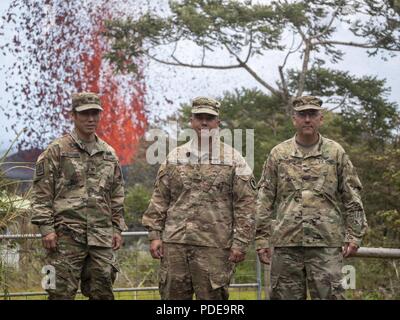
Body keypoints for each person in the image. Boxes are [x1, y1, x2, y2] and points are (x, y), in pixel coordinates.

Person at [142, 97, 256, 300]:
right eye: (199, 117)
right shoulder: (174, 158)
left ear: (217, 123)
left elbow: (246, 204)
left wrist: (240, 242)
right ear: (191, 121)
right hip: (175, 245)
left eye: (209, 118)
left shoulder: (233, 159)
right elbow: (160, 198)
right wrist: (155, 235)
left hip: (214, 247)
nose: (204, 123)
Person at [255, 95, 368, 300]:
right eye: (302, 114)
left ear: (320, 119)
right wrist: (261, 239)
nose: (307, 119)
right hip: (286, 243)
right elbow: (264, 199)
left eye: (312, 114)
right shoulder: (278, 154)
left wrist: (355, 235)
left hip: (326, 244)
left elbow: (352, 197)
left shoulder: (335, 153)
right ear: (294, 119)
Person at [31, 92, 127, 300]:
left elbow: (117, 194)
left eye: (95, 113)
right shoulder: (57, 150)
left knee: (103, 293)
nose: (91, 119)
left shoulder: (108, 153)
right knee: (59, 292)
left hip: (101, 237)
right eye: (85, 114)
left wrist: (117, 227)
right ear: (73, 115)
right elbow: (41, 193)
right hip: (65, 236)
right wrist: (46, 229)